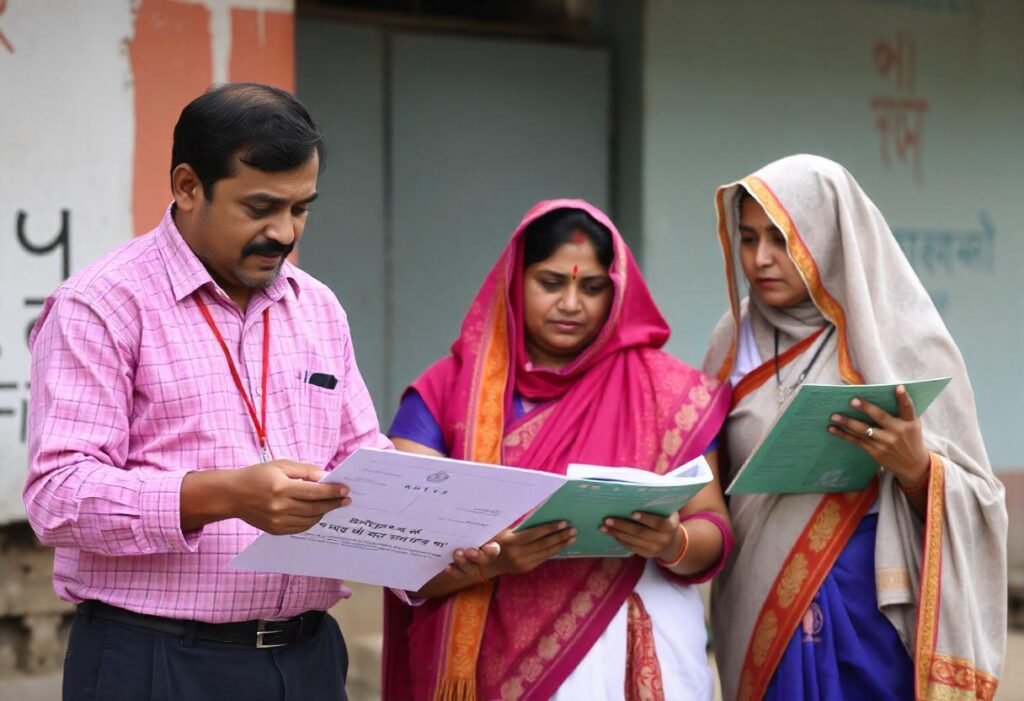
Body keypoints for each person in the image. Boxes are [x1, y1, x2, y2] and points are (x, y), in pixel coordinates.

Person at [23, 83, 392, 701]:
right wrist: (223, 495)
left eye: (301, 208)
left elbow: (362, 457)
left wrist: (449, 528)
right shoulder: (103, 304)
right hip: (155, 659)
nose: (284, 232)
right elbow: (57, 496)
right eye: (261, 207)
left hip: (309, 659)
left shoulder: (318, 306)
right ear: (188, 186)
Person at [381, 199, 733, 701]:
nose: (571, 304)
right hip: (484, 666)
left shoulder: (668, 394)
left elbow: (714, 526)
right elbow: (401, 547)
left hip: (627, 652)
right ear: (514, 281)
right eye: (551, 283)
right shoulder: (445, 392)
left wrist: (670, 542)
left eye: (591, 287)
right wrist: (495, 561)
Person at [702, 154, 1007, 701]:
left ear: (828, 235)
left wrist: (917, 471)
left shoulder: (904, 335)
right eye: (748, 239)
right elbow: (706, 473)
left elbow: (982, 497)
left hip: (869, 602)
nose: (761, 259)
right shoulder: (732, 338)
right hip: (759, 603)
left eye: (781, 239)